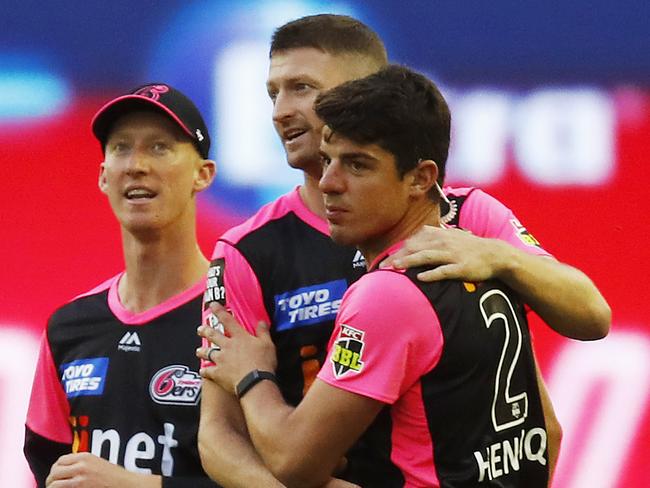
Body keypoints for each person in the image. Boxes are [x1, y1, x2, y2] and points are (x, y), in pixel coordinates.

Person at [197, 14, 605, 486]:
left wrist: (502, 257)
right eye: (273, 93)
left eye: (303, 88)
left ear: (365, 90)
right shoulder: (245, 251)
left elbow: (588, 324)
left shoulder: (463, 215)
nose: (280, 111)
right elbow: (218, 437)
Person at [23, 84, 227, 487]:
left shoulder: (235, 314)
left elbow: (276, 478)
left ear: (202, 175)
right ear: (103, 177)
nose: (136, 165)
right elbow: (48, 465)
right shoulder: (69, 327)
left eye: (159, 148)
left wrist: (134, 485)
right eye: (120, 148)